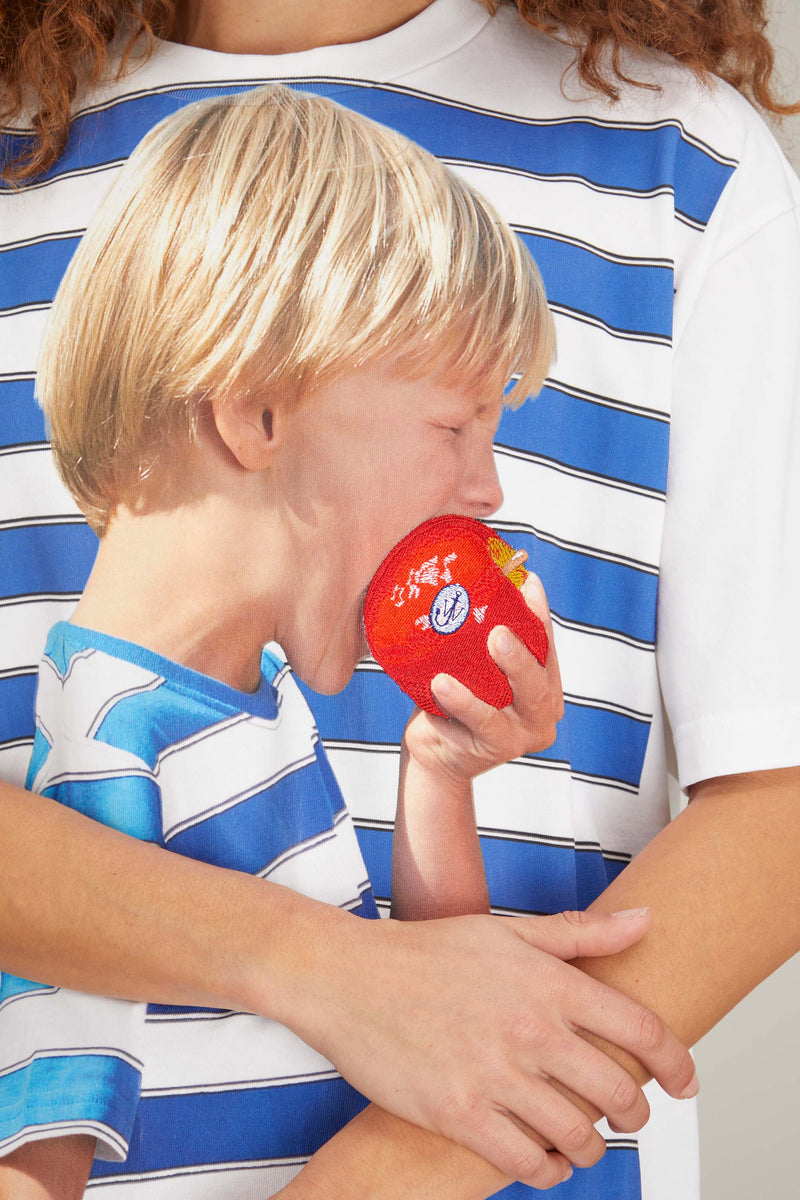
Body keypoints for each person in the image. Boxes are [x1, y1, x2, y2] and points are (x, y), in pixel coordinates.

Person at [0, 1, 797, 1198]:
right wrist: (323, 971)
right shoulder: (135, 736)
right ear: (250, 410)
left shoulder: (681, 163)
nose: (487, 488)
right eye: (452, 430)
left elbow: (775, 801)